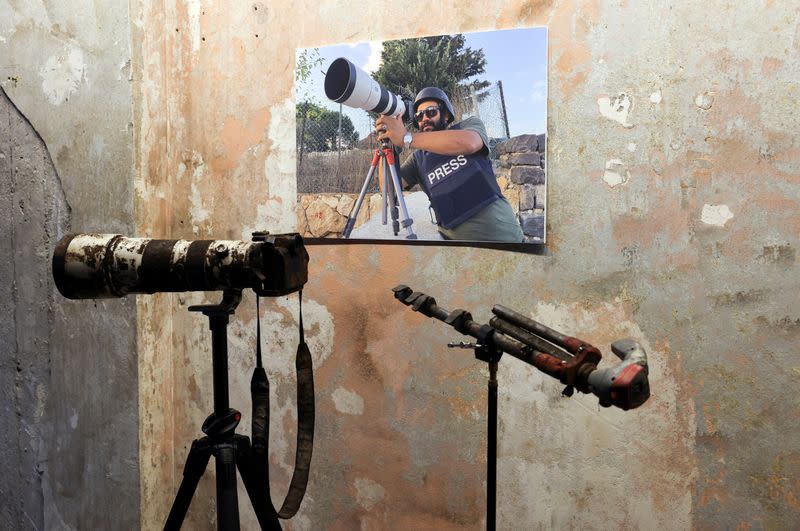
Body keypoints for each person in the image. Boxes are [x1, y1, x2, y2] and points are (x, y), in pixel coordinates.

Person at [375, 87, 524, 242]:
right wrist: (388, 148)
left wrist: (407, 138)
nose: (424, 118)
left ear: (446, 114)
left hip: (502, 238)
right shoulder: (417, 158)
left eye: (431, 112)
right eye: (419, 115)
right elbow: (389, 188)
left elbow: (470, 143)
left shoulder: (469, 126)